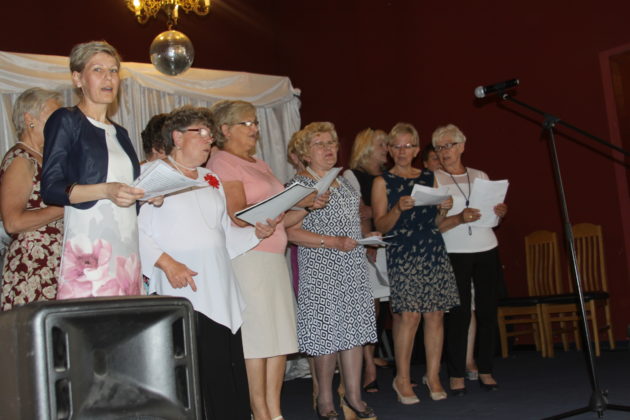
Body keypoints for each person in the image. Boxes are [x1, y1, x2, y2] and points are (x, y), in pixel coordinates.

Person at [139, 106, 277, 419]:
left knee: (226, 369)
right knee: (195, 375)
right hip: (183, 287)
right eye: (200, 133)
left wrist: (255, 233)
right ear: (177, 137)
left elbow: (222, 234)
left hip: (219, 286)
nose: (208, 140)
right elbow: (135, 230)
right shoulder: (153, 174)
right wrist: (167, 263)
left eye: (210, 134)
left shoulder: (210, 178)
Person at [207, 100, 310, 420]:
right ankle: (259, 411)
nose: (254, 129)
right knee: (256, 339)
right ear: (225, 130)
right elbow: (238, 214)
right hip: (249, 259)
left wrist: (306, 205)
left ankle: (274, 411)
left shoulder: (259, 163)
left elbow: (279, 220)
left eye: (255, 123)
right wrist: (275, 210)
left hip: (273, 257)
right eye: (246, 123)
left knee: (278, 337)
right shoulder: (222, 161)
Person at [41, 40, 152, 299]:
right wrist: (105, 190)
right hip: (89, 244)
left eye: (113, 71)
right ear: (77, 78)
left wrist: (148, 195)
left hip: (127, 243)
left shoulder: (120, 133)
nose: (108, 77)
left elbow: (125, 193)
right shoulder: (66, 120)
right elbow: (51, 189)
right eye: (98, 70)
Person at [286, 122, 377, 420]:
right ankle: (324, 400)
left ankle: (353, 397)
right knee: (326, 336)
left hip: (352, 266)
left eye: (332, 143)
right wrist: (332, 241)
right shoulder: (299, 185)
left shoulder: (343, 180)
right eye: (320, 144)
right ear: (305, 153)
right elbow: (290, 233)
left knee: (353, 332)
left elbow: (354, 220)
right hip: (321, 268)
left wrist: (367, 237)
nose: (328, 149)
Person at [372, 122, 459, 404]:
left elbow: (436, 222)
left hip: (432, 248)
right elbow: (381, 226)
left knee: (435, 314)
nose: (402, 151)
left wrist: (443, 210)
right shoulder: (382, 182)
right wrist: (397, 208)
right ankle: (402, 378)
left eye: (407, 146)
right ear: (389, 149)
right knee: (409, 316)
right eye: (396, 146)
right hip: (403, 251)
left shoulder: (429, 177)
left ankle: (433, 376)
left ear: (417, 149)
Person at [432, 123, 507, 394]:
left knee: (487, 312)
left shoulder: (480, 175)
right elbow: (434, 226)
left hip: (486, 246)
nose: (444, 151)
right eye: (439, 147)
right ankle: (456, 374)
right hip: (455, 251)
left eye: (449, 145)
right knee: (459, 314)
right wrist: (458, 218)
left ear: (462, 146)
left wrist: (499, 212)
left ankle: (486, 369)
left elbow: (492, 218)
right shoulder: (434, 179)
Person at [0, 88, 64, 310]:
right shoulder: (21, 160)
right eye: (53, 117)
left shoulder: (47, 160)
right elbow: (12, 223)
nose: (60, 124)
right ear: (30, 119)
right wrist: (66, 207)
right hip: (31, 267)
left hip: (53, 264)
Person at [343, 128, 390, 393]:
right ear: (367, 148)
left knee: (384, 308)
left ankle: (376, 360)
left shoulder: (389, 176)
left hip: (389, 245)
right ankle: (368, 367)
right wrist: (369, 235)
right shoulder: (352, 176)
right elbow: (357, 212)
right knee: (369, 307)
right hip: (368, 247)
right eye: (382, 144)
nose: (387, 149)